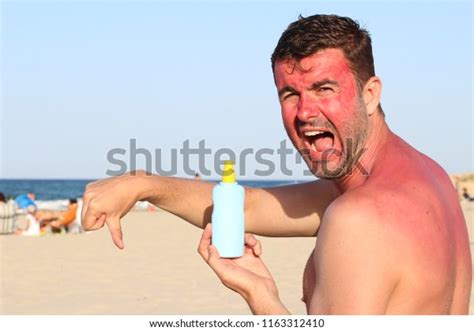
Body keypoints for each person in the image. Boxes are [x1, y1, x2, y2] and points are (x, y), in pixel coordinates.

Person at [81, 14, 471, 314]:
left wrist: (263, 302)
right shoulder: (427, 178)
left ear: (370, 94)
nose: (304, 112)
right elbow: (250, 206)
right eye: (289, 94)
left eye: (324, 88)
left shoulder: (359, 218)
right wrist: (142, 183)